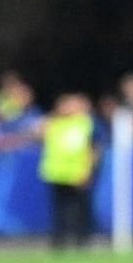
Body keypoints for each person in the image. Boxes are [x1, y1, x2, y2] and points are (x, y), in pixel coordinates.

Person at [38, 90, 99, 248]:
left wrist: (88, 170)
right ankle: (59, 241)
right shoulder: (53, 123)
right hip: (57, 174)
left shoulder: (86, 123)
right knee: (60, 210)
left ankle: (82, 240)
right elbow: (38, 134)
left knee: (79, 209)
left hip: (78, 173)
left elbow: (93, 149)